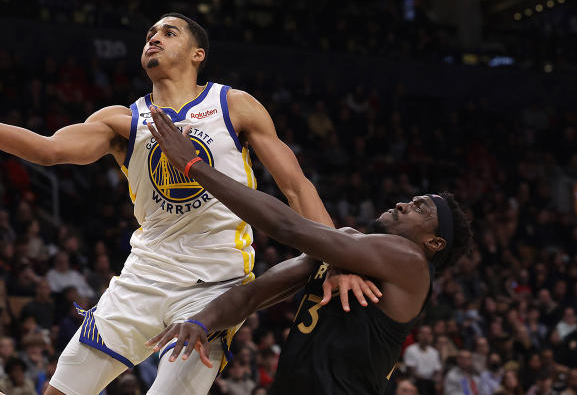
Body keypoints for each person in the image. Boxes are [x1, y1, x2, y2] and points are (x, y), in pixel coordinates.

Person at [0, 13, 370, 395]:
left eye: (169, 33)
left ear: (196, 54)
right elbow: (46, 149)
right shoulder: (123, 121)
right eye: (150, 34)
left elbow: (296, 186)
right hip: (143, 276)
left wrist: (340, 259)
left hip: (214, 283)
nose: (154, 38)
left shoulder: (235, 106)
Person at [144, 106, 474, 395]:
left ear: (434, 242)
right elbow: (252, 296)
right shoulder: (342, 252)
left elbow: (289, 228)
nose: (403, 204)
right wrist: (201, 322)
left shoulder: (412, 262)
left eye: (420, 208)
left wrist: (194, 167)